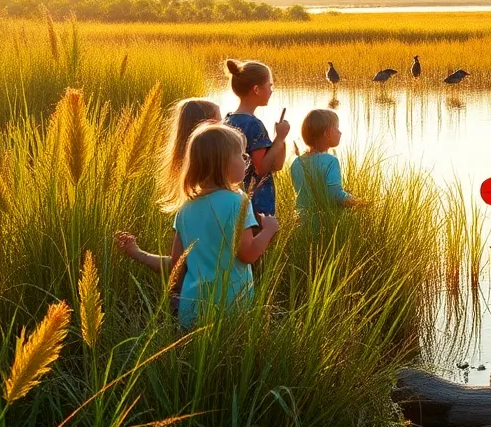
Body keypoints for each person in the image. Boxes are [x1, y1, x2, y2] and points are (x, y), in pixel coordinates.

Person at [134, 122, 278, 327]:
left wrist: (138, 253)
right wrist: (269, 230)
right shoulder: (238, 201)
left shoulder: (185, 209)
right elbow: (247, 254)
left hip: (191, 308)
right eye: (241, 156)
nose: (245, 161)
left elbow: (177, 266)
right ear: (224, 163)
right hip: (231, 308)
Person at [116, 97, 221, 291]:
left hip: (188, 300)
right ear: (208, 132)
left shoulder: (191, 196)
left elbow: (178, 265)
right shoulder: (213, 199)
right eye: (219, 122)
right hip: (210, 301)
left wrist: (138, 253)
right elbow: (178, 266)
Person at [223, 58, 291, 217]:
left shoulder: (228, 120)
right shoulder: (253, 125)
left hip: (235, 200)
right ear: (256, 89)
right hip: (256, 204)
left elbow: (277, 165)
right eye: (270, 85)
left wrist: (279, 140)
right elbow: (262, 169)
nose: (272, 90)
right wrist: (280, 138)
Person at [290, 109, 362, 217]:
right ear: (326, 133)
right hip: (323, 224)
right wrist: (358, 202)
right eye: (337, 128)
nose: (340, 132)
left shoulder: (296, 162)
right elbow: (335, 195)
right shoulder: (331, 161)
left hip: (301, 221)